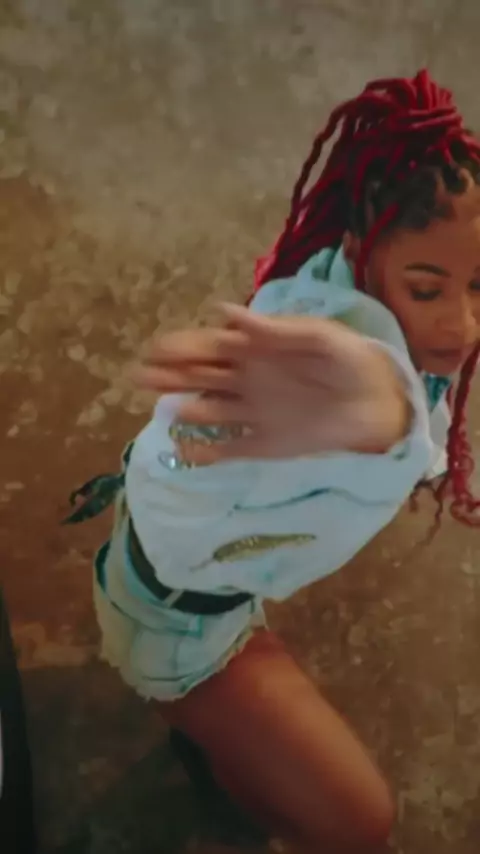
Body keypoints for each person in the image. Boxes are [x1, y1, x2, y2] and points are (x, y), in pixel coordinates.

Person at [67, 70, 480, 851]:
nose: (461, 325)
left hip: (214, 576)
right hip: (179, 624)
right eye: (427, 291)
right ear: (359, 256)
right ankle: (213, 744)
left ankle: (217, 746)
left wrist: (403, 423)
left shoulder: (375, 296)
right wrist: (382, 409)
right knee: (360, 823)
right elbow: (365, 382)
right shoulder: (323, 348)